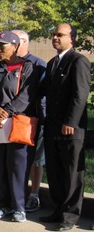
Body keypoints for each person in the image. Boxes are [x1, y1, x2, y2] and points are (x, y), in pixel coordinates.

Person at [39, 23, 91, 231]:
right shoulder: (52, 63)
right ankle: (59, 210)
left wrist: (71, 122)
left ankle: (70, 217)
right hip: (52, 127)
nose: (55, 38)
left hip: (71, 129)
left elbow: (80, 94)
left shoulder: (79, 61)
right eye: (53, 34)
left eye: (60, 35)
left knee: (71, 174)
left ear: (73, 38)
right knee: (55, 172)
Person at [0, 31, 38, 223]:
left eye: (3, 45)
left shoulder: (28, 67)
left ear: (15, 46)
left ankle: (19, 207)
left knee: (17, 167)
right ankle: (4, 204)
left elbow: (26, 96)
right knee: (1, 165)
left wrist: (5, 112)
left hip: (17, 123)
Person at [12, 29, 47, 213]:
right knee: (17, 160)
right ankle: (17, 197)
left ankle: (34, 195)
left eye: (14, 41)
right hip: (13, 120)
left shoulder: (38, 64)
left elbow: (40, 94)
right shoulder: (8, 63)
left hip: (33, 118)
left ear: (23, 43)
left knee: (36, 160)